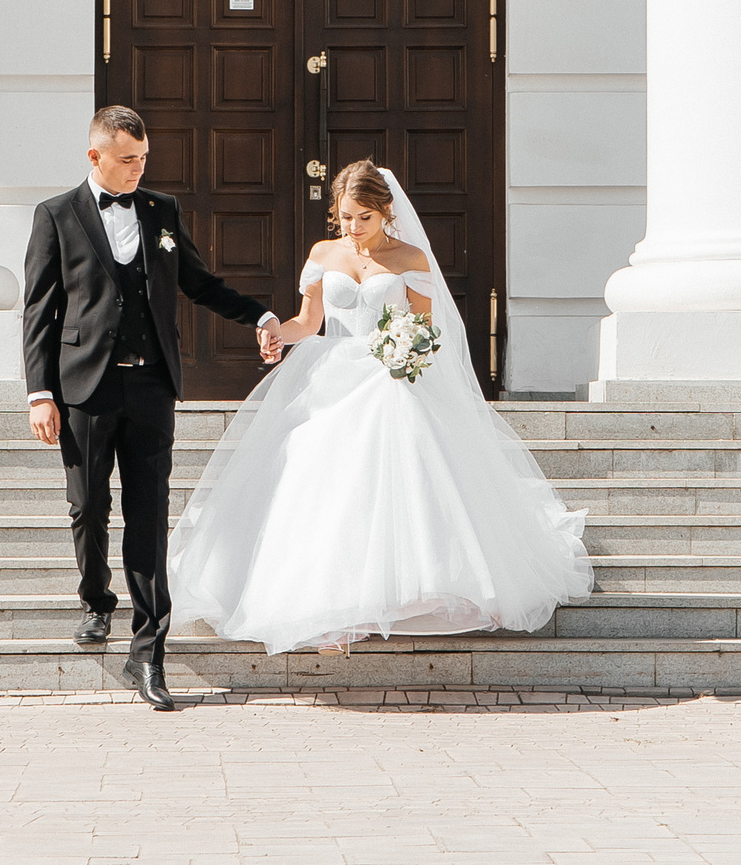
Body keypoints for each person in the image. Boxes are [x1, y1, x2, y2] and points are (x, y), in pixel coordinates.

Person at [169, 159, 592, 655]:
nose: (353, 228)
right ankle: (328, 608)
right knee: (321, 479)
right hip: (330, 376)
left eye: (363, 218)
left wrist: (404, 350)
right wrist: (276, 336)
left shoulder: (410, 258)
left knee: (399, 467)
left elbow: (426, 330)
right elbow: (309, 322)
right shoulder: (324, 254)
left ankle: (411, 589)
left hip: (390, 378)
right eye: (345, 217)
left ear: (385, 211)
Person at [21, 105, 282, 711]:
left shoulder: (162, 210)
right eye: (127, 159)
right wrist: (40, 393)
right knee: (87, 507)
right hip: (82, 390)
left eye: (144, 158)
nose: (139, 169)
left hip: (151, 390)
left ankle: (147, 653)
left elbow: (199, 281)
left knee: (148, 520)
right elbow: (40, 310)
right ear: (95, 156)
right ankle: (95, 600)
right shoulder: (56, 216)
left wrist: (261, 315)